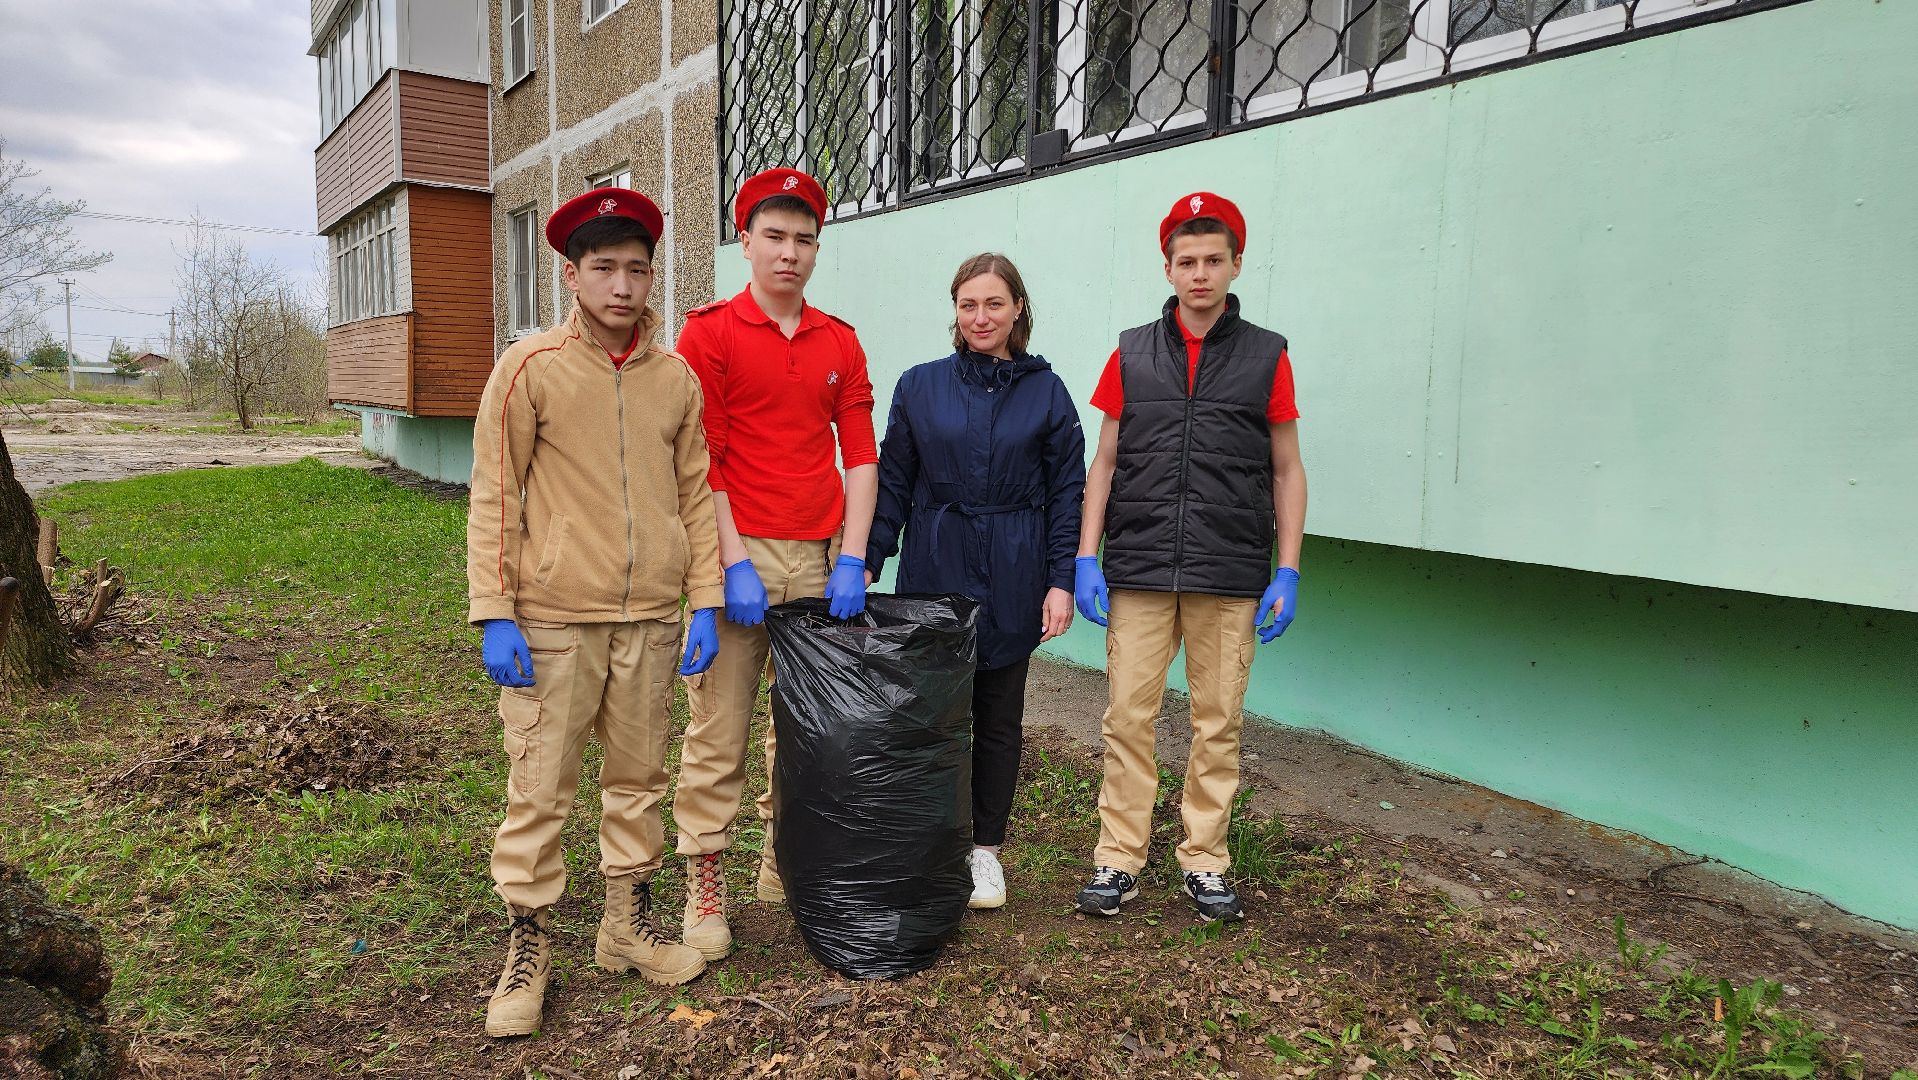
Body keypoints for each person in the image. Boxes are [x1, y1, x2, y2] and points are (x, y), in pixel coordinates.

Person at [466, 186, 720, 1037]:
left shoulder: (675, 379)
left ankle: (625, 926)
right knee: (540, 787)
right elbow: (495, 494)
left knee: (639, 779)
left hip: (650, 619)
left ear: (652, 277)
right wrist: (495, 610)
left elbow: (695, 496)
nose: (622, 285)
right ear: (571, 275)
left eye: (637, 269)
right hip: (553, 621)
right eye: (604, 268)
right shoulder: (530, 368)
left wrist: (705, 601)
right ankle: (527, 946)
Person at [1071, 192, 1308, 923]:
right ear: (1168, 268)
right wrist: (1086, 555)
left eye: (1213, 260)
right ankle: (1118, 859)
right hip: (1139, 568)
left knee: (1218, 722)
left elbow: (1287, 469)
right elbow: (1106, 460)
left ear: (1236, 264)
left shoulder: (1267, 354)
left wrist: (1288, 569)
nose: (1199, 274)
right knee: (1126, 719)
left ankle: (1205, 860)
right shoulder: (1130, 351)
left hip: (1229, 572)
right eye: (1186, 261)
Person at [671, 168, 880, 961]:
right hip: (739, 552)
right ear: (746, 242)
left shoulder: (839, 341)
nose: (789, 253)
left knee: (808, 729)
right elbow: (704, 461)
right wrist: (731, 564)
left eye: (804, 239)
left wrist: (853, 556)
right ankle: (705, 879)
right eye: (774, 237)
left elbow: (861, 455)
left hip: (820, 560)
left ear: (817, 248)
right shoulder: (710, 335)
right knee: (718, 730)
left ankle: (780, 857)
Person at [866, 253, 1086, 910]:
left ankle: (984, 850)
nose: (981, 317)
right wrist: (868, 557)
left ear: (1018, 309)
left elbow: (1067, 494)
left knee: (996, 716)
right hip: (936, 562)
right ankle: (929, 839)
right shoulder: (919, 386)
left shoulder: (1047, 392)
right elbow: (894, 482)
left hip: (1015, 568)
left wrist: (1061, 580)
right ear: (955, 311)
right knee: (930, 712)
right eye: (969, 305)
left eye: (994, 304)